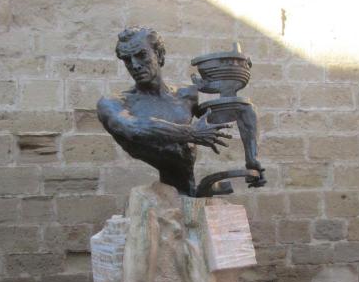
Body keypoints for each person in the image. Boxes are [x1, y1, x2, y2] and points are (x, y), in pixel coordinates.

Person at [97, 27, 262, 196]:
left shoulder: (187, 96)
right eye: (127, 60)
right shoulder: (113, 103)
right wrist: (191, 133)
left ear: (159, 55)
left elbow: (243, 109)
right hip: (168, 191)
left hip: (186, 189)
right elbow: (132, 128)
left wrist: (252, 158)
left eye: (142, 55)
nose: (135, 65)